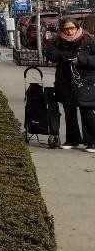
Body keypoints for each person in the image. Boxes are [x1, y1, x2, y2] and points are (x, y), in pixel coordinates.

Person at [54, 19, 95, 152]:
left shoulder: (89, 40)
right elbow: (50, 54)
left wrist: (82, 60)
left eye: (71, 28)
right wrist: (62, 56)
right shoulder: (58, 41)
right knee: (69, 111)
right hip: (65, 81)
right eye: (66, 29)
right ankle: (72, 139)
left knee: (87, 111)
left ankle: (92, 141)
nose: (69, 31)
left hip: (85, 81)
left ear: (77, 28)